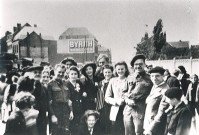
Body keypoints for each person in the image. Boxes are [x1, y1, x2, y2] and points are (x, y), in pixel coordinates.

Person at [123, 54, 153, 135]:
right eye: (136, 64)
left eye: (140, 64)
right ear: (133, 66)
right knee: (128, 133)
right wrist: (127, 100)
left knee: (139, 132)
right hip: (128, 110)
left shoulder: (150, 78)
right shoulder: (129, 77)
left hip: (141, 110)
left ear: (144, 65)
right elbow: (124, 92)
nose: (138, 66)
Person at [47, 64, 74, 135]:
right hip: (56, 111)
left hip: (65, 112)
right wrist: (52, 115)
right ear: (55, 71)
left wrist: (71, 111)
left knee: (66, 132)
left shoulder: (66, 83)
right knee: (56, 132)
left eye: (63, 72)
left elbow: (69, 99)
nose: (61, 74)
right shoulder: (50, 84)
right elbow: (48, 102)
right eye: (59, 72)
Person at [105, 61, 129, 135]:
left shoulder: (129, 80)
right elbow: (107, 97)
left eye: (122, 69)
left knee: (125, 130)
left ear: (126, 69)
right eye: (118, 69)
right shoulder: (113, 81)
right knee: (115, 130)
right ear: (115, 70)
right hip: (115, 109)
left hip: (127, 108)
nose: (120, 71)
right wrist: (115, 101)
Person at [144, 66, 169, 135]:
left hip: (157, 126)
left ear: (163, 76)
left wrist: (150, 129)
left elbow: (161, 113)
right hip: (149, 122)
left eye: (157, 76)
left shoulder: (165, 90)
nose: (154, 78)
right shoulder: (155, 86)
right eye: (152, 76)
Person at [26, 66, 49, 135]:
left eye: (39, 72)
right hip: (31, 116)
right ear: (31, 74)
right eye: (35, 72)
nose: (38, 74)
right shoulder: (27, 86)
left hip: (42, 116)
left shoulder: (44, 87)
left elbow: (46, 101)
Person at [65, 66, 84, 135]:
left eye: (75, 74)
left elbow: (82, 92)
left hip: (79, 108)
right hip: (71, 109)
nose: (73, 76)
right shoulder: (66, 84)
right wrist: (71, 111)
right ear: (68, 75)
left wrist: (83, 93)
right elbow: (67, 98)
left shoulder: (79, 83)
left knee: (79, 128)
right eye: (72, 74)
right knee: (72, 128)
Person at [96, 64, 114, 135]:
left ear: (112, 72)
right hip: (103, 106)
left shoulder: (114, 81)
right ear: (103, 73)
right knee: (103, 123)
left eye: (109, 72)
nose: (107, 74)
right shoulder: (101, 83)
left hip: (112, 105)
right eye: (105, 72)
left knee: (111, 125)